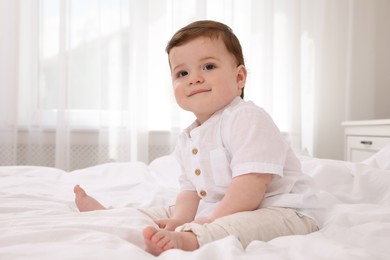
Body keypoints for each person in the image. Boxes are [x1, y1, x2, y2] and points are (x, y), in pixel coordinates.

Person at [74, 20, 322, 256]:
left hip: (281, 209)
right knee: (166, 213)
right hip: (223, 205)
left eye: (208, 67)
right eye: (181, 73)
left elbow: (251, 186)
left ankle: (190, 240)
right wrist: (179, 220)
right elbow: (190, 191)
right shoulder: (189, 137)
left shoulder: (247, 118)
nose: (194, 78)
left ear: (239, 78)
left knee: (239, 226)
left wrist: (209, 220)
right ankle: (116, 217)